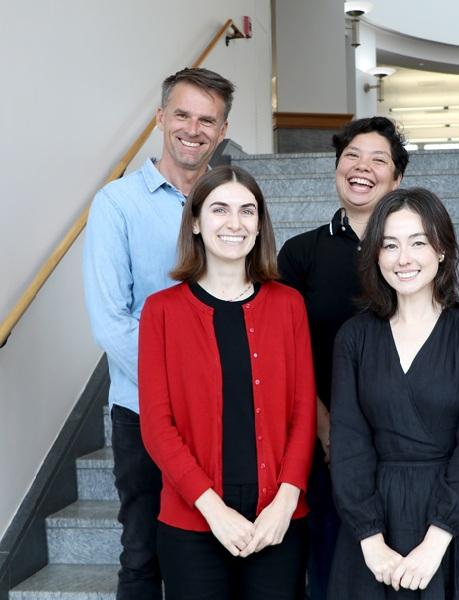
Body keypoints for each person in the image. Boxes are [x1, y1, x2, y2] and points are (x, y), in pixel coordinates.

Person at [83, 67, 235, 599]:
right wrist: (176, 394)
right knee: (144, 555)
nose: (194, 129)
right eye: (183, 115)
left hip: (224, 415)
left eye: (207, 120)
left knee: (215, 555)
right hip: (145, 414)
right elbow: (111, 322)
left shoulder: (233, 206)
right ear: (160, 118)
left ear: (222, 130)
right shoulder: (116, 205)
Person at [138, 165, 316, 599]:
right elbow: (157, 428)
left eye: (247, 211)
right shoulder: (161, 311)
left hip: (277, 521)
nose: (235, 223)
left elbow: (304, 411)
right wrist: (212, 510)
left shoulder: (288, 303)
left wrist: (286, 500)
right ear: (196, 222)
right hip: (193, 523)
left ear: (259, 226)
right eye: (220, 210)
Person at [329, 187, 459, 599]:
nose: (403, 258)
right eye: (390, 245)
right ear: (375, 254)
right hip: (374, 522)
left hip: (453, 523)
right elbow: (349, 442)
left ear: (441, 249)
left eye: (418, 242)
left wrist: (436, 541)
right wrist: (370, 540)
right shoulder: (354, 337)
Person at [277, 116, 409, 598]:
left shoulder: (412, 252)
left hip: (405, 438)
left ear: (396, 179)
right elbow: (284, 355)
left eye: (379, 160)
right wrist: (324, 425)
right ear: (336, 167)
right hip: (321, 435)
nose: (362, 167)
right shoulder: (300, 253)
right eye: (352, 156)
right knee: (331, 562)